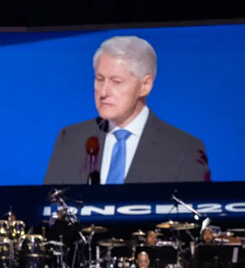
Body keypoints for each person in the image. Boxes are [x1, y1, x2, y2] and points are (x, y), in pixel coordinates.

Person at [44, 35, 210, 185]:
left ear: (145, 85)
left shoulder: (183, 150)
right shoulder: (71, 139)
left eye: (116, 82)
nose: (104, 92)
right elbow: (47, 208)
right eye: (99, 79)